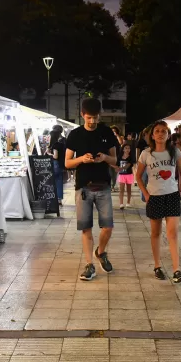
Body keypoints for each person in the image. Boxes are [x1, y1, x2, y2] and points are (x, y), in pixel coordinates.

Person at [65, 99, 117, 281]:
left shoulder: (106, 132)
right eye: (89, 118)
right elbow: (67, 162)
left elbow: (114, 160)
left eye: (95, 118)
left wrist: (104, 158)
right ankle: (90, 265)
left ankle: (101, 252)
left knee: (108, 227)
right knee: (86, 228)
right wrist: (81, 159)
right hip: (83, 187)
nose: (92, 121)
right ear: (82, 115)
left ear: (99, 116)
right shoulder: (75, 135)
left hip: (103, 185)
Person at [136, 121, 181, 283]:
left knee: (173, 233)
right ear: (152, 135)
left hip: (172, 195)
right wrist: (146, 194)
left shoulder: (174, 152)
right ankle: (157, 266)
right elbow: (138, 176)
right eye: (157, 131)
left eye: (164, 131)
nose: (160, 134)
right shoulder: (146, 154)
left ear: (168, 134)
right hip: (154, 196)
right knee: (156, 233)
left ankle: (176, 270)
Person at [47, 130, 65, 205]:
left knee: (52, 182)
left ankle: (53, 198)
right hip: (60, 165)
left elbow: (55, 156)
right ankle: (59, 199)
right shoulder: (61, 144)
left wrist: (48, 153)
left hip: (55, 165)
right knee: (59, 182)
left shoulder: (55, 145)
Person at [115, 144, 134, 209]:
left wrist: (120, 168)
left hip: (129, 174)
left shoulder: (131, 157)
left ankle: (128, 202)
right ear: (123, 149)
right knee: (121, 189)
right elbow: (117, 165)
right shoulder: (119, 157)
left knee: (129, 189)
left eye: (128, 148)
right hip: (121, 175)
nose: (127, 149)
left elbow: (128, 165)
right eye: (126, 148)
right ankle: (121, 203)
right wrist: (116, 168)